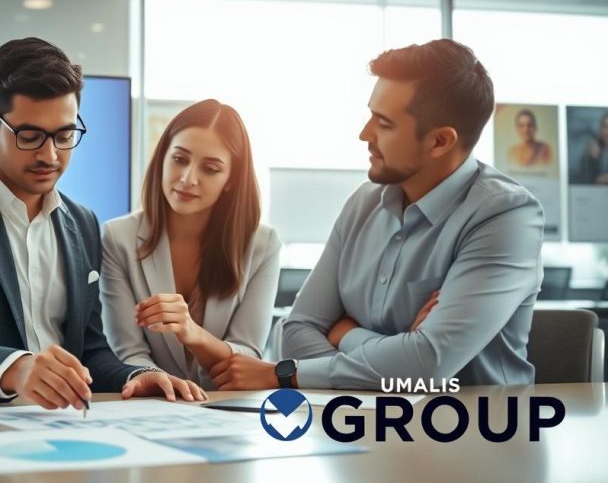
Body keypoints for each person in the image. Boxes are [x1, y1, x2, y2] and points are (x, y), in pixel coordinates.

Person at [0, 37, 206, 409]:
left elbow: (90, 351)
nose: (49, 155)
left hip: (56, 429)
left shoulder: (81, 222)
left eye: (65, 135)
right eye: (29, 136)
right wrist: (15, 369)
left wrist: (135, 376)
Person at [208, 39, 544, 391]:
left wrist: (344, 338)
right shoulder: (364, 203)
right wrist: (397, 358)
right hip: (365, 425)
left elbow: (428, 365)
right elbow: (294, 331)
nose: (364, 134)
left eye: (383, 123)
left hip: (479, 433)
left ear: (440, 142)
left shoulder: (506, 216)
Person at [100, 99, 280, 390]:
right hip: (153, 403)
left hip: (227, 407)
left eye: (210, 169)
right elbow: (128, 351)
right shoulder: (117, 237)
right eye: (180, 159)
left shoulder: (263, 245)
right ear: (163, 158)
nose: (187, 179)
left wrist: (192, 333)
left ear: (230, 180)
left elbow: (249, 355)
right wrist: (163, 384)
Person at [578, 111, 608, 185]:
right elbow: (584, 179)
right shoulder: (592, 148)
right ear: (600, 129)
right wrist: (589, 157)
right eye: (605, 127)